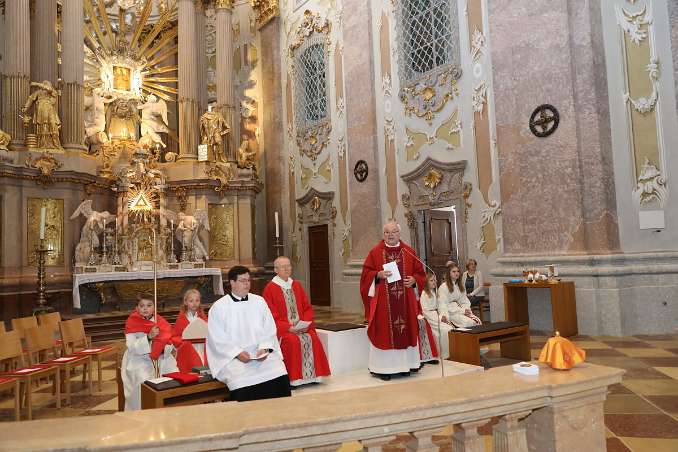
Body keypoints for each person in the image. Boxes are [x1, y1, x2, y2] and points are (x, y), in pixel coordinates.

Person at [207, 265, 291, 402]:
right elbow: (217, 338)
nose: (247, 284)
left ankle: (279, 415)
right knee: (241, 379)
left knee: (278, 370)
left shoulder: (259, 301)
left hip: (260, 354)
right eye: (243, 281)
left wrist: (264, 348)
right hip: (234, 358)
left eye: (248, 280)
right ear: (232, 283)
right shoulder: (219, 307)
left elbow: (269, 328)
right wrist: (237, 353)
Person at [360, 220, 427, 381]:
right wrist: (377, 275)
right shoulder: (375, 252)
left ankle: (406, 366)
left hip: (405, 302)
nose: (390, 235)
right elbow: (365, 275)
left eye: (394, 232)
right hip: (384, 303)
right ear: (383, 235)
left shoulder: (408, 252)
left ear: (399, 233)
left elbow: (420, 273)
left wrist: (414, 280)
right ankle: (383, 368)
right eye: (387, 232)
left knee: (406, 328)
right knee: (384, 331)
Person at [262, 256, 331, 387]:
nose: (287, 269)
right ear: (276, 270)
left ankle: (314, 376)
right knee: (292, 341)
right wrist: (288, 327)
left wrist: (305, 323)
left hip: (301, 327)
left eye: (289, 266)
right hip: (284, 330)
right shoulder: (270, 289)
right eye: (283, 267)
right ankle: (294, 379)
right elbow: (270, 314)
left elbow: (307, 307)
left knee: (312, 337)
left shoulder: (296, 285)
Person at [121, 293, 178, 411]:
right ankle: (143, 411)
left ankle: (169, 409)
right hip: (139, 360)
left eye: (149, 305)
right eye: (142, 306)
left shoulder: (160, 322)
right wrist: (148, 337)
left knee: (174, 375)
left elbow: (170, 343)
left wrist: (163, 348)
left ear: (154, 307)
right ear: (136, 308)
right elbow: (132, 347)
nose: (145, 308)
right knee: (143, 382)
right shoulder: (132, 322)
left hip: (162, 358)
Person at [172, 289, 208, 373]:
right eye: (191, 301)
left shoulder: (203, 317)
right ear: (185, 302)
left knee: (204, 368)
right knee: (192, 369)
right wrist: (185, 341)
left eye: (197, 300)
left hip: (202, 346)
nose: (194, 303)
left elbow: (208, 331)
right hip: (189, 348)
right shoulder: (181, 318)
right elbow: (175, 336)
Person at [420, 271, 453, 359]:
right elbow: (425, 311)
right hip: (431, 318)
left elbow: (439, 306)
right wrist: (439, 318)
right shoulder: (424, 293)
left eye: (435, 280)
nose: (434, 282)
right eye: (431, 280)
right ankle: (444, 355)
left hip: (436, 316)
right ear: (426, 282)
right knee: (445, 330)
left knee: (450, 328)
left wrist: (443, 316)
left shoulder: (434, 292)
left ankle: (450, 353)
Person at [438, 263, 482, 328]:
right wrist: (444, 316)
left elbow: (465, 301)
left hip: (461, 311)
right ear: (449, 274)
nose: (456, 273)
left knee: (477, 321)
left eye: (458, 271)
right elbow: (443, 305)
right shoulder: (444, 287)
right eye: (454, 271)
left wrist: (466, 310)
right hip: (450, 313)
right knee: (469, 323)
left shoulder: (460, 286)